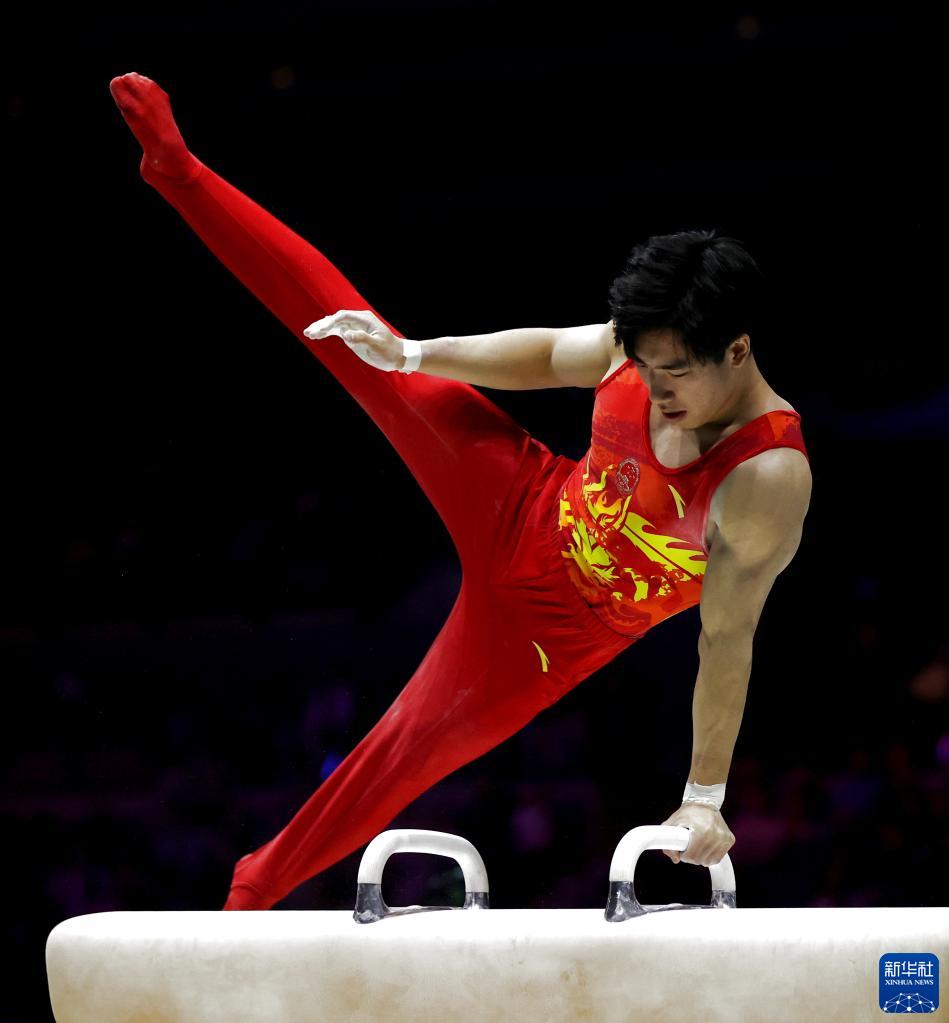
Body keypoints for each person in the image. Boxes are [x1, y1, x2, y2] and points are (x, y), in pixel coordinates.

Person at [109, 71, 812, 910]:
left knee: (394, 761)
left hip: (544, 636)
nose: (654, 388)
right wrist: (413, 355)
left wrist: (702, 798)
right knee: (359, 338)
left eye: (676, 373)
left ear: (737, 350)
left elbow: (725, 638)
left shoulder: (765, 475)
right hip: (522, 496)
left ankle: (248, 895)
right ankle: (182, 172)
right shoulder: (646, 342)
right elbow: (547, 354)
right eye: (643, 365)